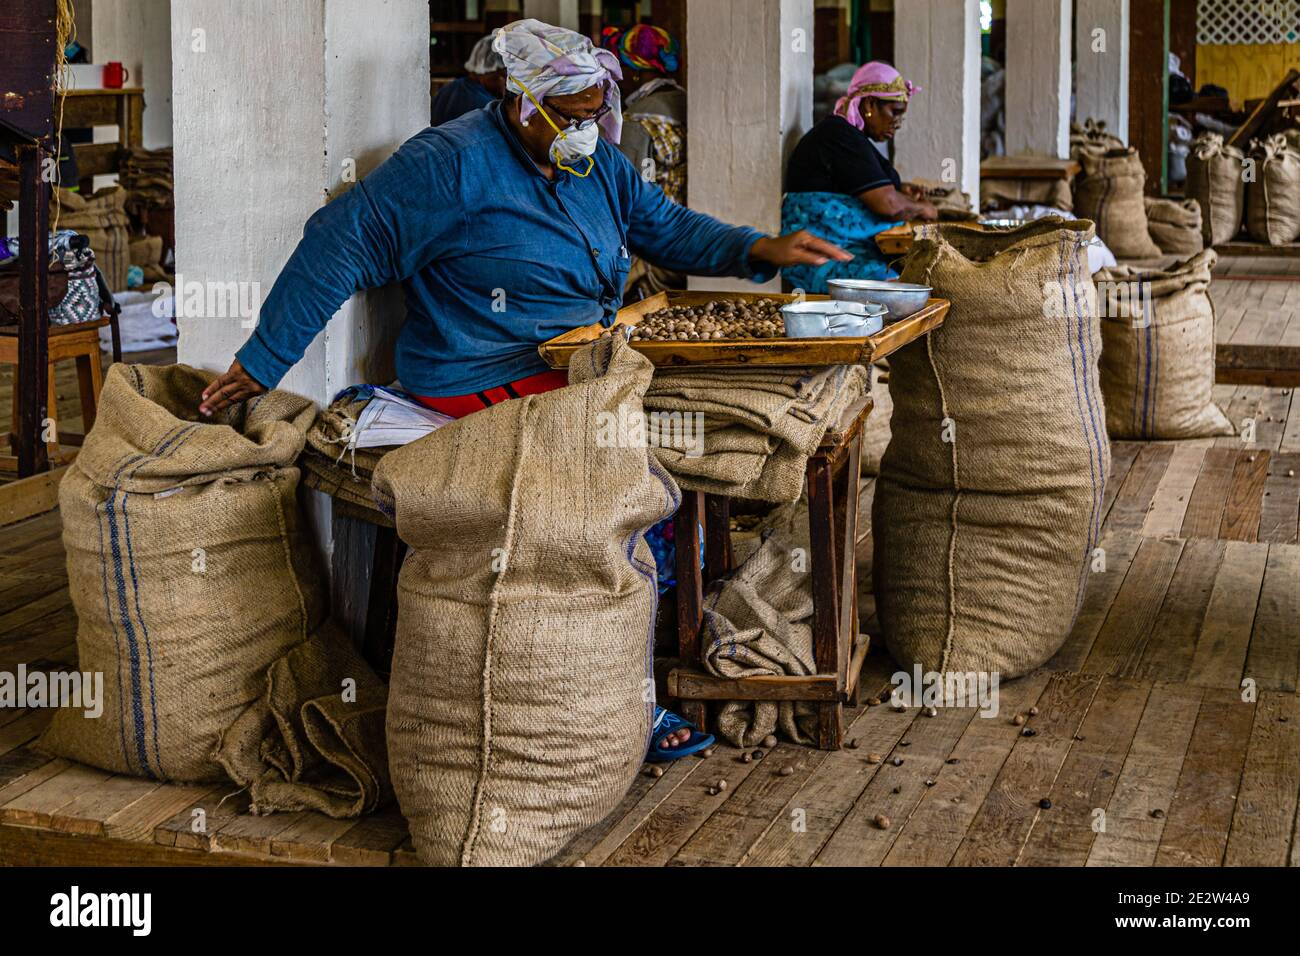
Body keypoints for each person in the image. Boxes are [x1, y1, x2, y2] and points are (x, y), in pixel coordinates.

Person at [199, 19, 851, 762]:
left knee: (690, 466)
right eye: (570, 118)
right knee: (624, 479)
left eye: (592, 115)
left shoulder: (594, 163)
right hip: (479, 373)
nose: (585, 133)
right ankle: (628, 696)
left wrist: (756, 249)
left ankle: (648, 654)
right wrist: (264, 358)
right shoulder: (449, 165)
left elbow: (661, 225)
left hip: (575, 367)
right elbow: (341, 238)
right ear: (521, 100)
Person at [782, 61, 938, 293]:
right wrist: (924, 209)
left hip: (845, 250)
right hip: (821, 259)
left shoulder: (851, 137)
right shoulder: (838, 134)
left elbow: (856, 187)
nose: (897, 123)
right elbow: (888, 205)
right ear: (870, 104)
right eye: (894, 112)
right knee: (906, 291)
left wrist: (900, 189)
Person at [429, 34, 507, 127]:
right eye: (504, 76)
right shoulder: (485, 107)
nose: (506, 83)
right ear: (496, 71)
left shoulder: (449, 89)